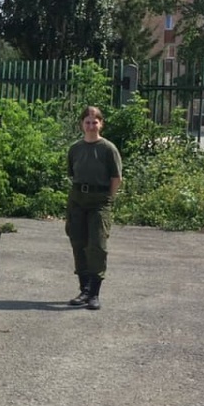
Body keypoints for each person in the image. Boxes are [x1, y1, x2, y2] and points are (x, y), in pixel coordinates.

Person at [65, 105, 123, 310]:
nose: (91, 126)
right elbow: (72, 173)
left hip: (99, 201)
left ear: (101, 124)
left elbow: (116, 178)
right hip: (77, 199)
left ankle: (94, 294)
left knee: (97, 246)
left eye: (94, 122)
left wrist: (108, 198)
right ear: (82, 124)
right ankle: (84, 290)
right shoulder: (75, 148)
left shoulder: (108, 149)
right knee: (78, 243)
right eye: (87, 122)